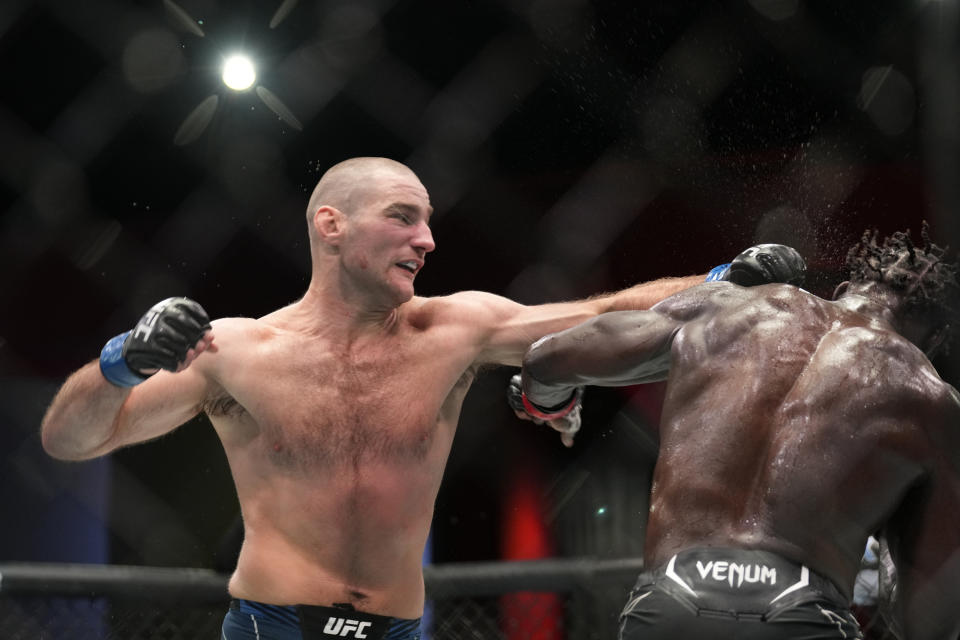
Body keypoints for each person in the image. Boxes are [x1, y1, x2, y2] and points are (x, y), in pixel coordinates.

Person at [40, 156, 805, 640]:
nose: (427, 239)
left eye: (429, 221)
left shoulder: (454, 329)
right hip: (274, 626)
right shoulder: (233, 352)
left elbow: (603, 314)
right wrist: (121, 364)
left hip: (402, 628)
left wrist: (719, 282)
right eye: (403, 217)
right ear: (330, 226)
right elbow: (69, 441)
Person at [514, 225, 960, 640]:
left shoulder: (730, 306)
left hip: (669, 602)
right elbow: (924, 623)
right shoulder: (929, 398)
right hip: (803, 611)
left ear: (842, 291)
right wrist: (890, 526)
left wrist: (553, 404)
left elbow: (545, 360)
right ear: (936, 340)